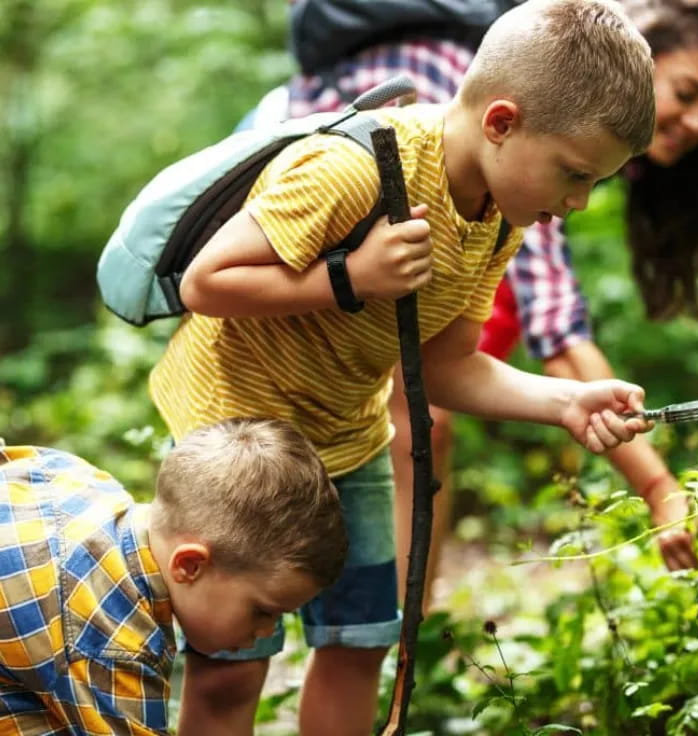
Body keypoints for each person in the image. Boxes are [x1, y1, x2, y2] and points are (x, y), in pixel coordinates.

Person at [149, 1, 657, 733]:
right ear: (502, 122)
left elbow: (447, 368)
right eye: (574, 175)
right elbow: (207, 284)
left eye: (593, 184)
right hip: (238, 438)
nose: (575, 203)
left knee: (359, 647)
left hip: (351, 443)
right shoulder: (352, 168)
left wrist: (568, 401)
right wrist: (350, 276)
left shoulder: (494, 219)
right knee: (231, 666)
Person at [268, 0, 698, 591]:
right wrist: (657, 487)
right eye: (687, 91)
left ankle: (393, 641)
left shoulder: (558, 154)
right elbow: (558, 328)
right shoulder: (519, 118)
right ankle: (393, 635)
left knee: (432, 397)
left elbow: (495, 342)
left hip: (391, 256)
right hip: (298, 223)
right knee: (417, 416)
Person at [0, 418, 347, 735]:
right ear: (190, 566)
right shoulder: (116, 645)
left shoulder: (83, 481)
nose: (268, 631)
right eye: (263, 610)